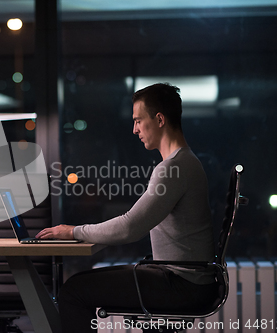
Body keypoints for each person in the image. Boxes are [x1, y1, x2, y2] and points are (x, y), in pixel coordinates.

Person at [35, 83, 218, 332]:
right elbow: (133, 223)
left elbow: (131, 227)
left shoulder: (174, 168)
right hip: (186, 280)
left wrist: (73, 232)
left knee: (74, 291)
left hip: (182, 284)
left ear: (160, 119)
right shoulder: (184, 163)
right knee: (81, 285)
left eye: (139, 120)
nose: (134, 130)